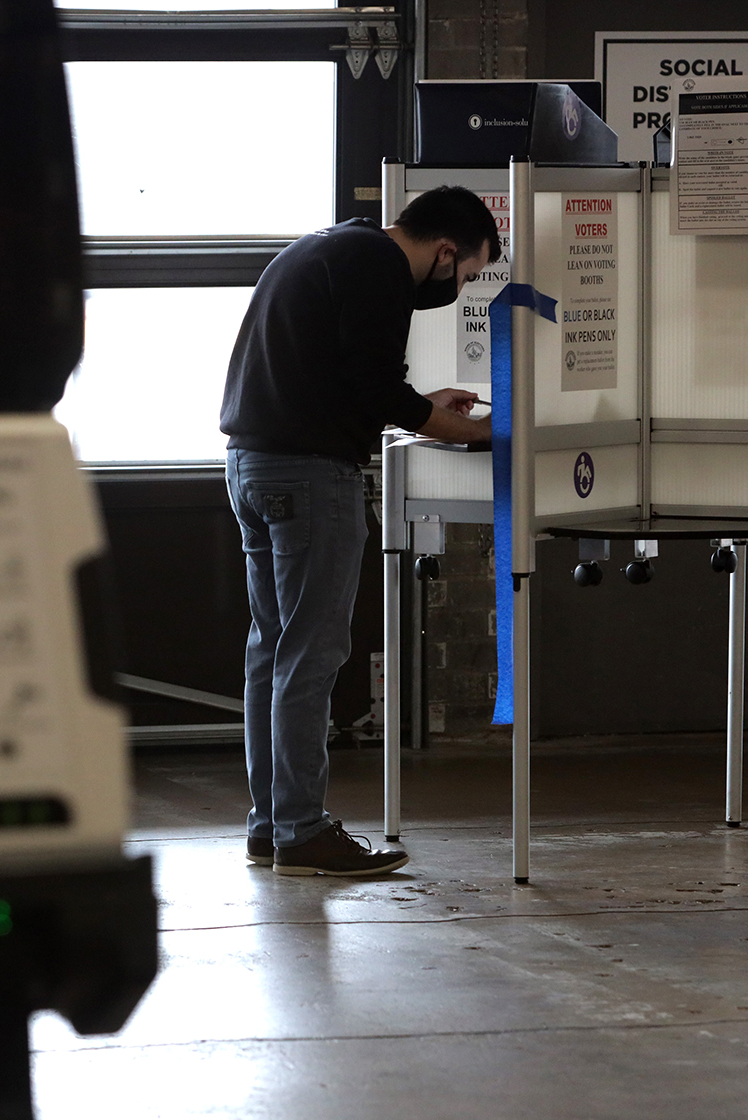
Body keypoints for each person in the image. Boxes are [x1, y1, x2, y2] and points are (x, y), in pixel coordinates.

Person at [220, 186, 501, 877]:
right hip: (311, 477)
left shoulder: (332, 245)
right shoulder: (378, 268)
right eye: (465, 274)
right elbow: (376, 393)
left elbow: (356, 381)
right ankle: (303, 831)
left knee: (275, 650)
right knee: (312, 654)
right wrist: (475, 431)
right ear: (445, 252)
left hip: (252, 463)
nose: (458, 286)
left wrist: (423, 406)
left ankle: (272, 824)